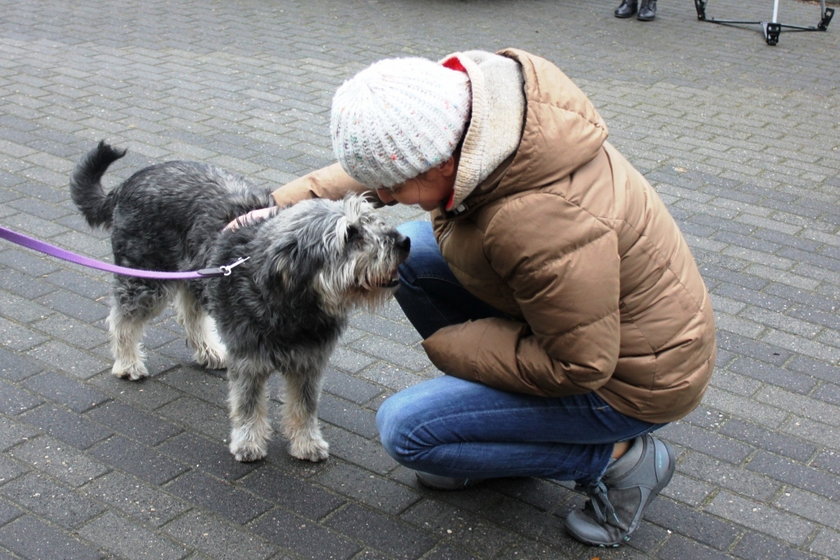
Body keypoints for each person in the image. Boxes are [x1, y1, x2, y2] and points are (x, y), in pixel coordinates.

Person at [230, 48, 716, 547]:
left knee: (408, 431)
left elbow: (581, 366)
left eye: (392, 185)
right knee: (413, 250)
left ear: (438, 161)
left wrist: (453, 344)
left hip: (630, 381)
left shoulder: (536, 220)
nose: (386, 197)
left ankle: (621, 461)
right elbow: (382, 169)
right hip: (585, 329)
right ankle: (489, 437)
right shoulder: (479, 121)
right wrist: (274, 207)